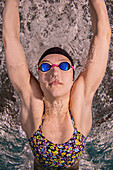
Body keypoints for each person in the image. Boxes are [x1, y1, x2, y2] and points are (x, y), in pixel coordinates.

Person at [2, 0, 111, 169]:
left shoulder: (81, 100)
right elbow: (10, 38)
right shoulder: (32, 104)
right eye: (46, 67)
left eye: (64, 66)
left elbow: (102, 35)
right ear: (37, 74)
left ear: (73, 74)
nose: (55, 73)